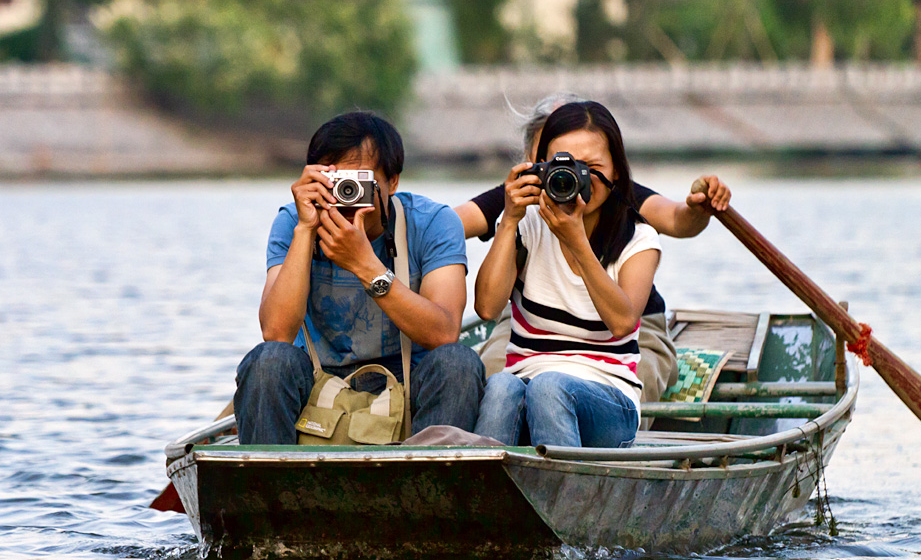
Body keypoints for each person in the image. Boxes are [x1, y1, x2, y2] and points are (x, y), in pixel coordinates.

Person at [453, 94, 731, 407]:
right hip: (532, 325)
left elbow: (677, 220)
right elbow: (447, 225)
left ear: (611, 166)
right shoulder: (520, 198)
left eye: (583, 160)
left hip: (631, 332)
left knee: (635, 388)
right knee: (492, 384)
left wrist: (699, 208)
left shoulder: (608, 190)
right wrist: (400, 219)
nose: (568, 169)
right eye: (557, 155)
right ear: (534, 155)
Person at [233, 111, 484, 444]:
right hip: (315, 381)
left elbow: (444, 333)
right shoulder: (295, 221)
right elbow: (276, 332)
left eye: (359, 184)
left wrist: (367, 266)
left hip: (408, 381)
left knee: (459, 363)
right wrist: (307, 229)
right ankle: (269, 489)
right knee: (268, 362)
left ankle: (427, 487)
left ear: (393, 181)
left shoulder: (433, 222)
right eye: (336, 184)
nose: (347, 196)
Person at [472, 101, 665, 448]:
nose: (577, 179)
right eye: (564, 166)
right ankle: (487, 494)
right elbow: (487, 307)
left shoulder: (639, 238)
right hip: (526, 388)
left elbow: (622, 321)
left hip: (609, 402)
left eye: (590, 167)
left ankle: (569, 496)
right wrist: (509, 220)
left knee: (550, 385)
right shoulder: (527, 225)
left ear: (617, 170)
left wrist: (576, 241)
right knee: (500, 385)